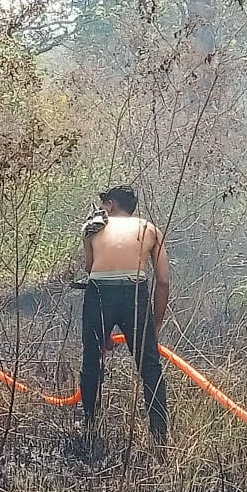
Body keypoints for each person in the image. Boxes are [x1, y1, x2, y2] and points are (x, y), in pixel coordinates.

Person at [79, 184, 170, 444]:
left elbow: (90, 268)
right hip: (135, 294)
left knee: (91, 362)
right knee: (150, 366)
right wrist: (155, 325)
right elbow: (162, 280)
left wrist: (88, 238)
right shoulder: (150, 229)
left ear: (111, 205)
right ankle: (160, 437)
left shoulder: (91, 228)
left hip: (99, 293)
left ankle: (89, 428)